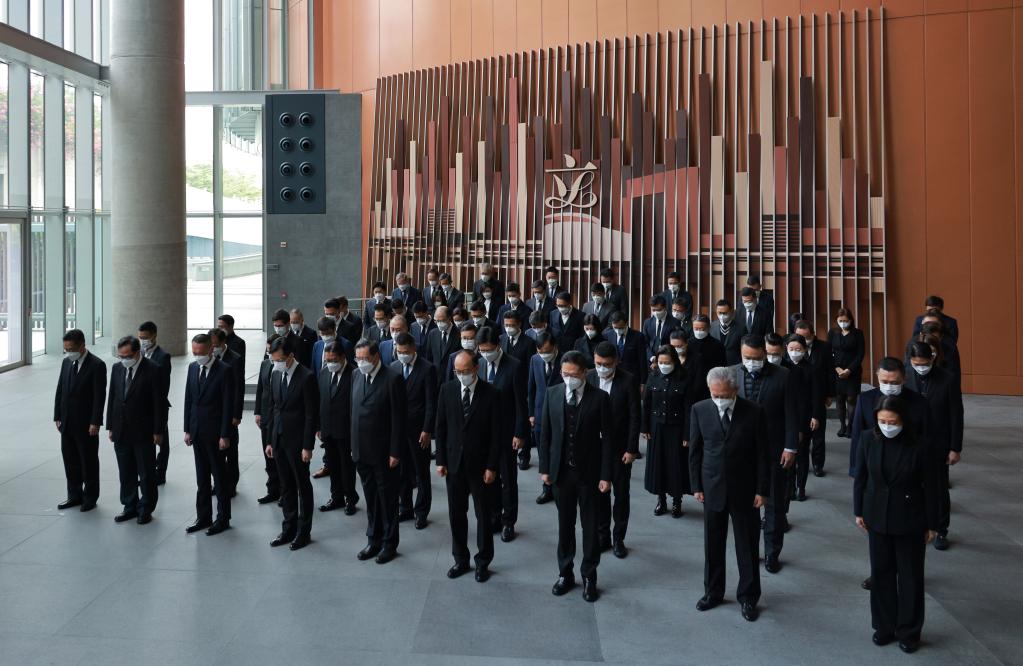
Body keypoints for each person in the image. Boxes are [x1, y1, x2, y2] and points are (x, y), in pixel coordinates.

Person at [853, 395, 940, 653]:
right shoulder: (868, 439)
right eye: (882, 421)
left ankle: (909, 631)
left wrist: (933, 523)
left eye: (892, 422)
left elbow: (932, 487)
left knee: (910, 577)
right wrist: (858, 511)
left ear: (903, 421)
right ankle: (884, 626)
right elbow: (861, 477)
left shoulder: (921, 445)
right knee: (881, 574)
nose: (887, 426)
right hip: (876, 517)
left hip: (910, 519)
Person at [689, 367, 770, 621]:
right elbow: (695, 451)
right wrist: (696, 486)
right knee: (713, 544)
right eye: (715, 395)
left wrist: (762, 490)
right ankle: (713, 592)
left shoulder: (754, 412)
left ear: (735, 390)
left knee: (747, 545)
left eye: (724, 395)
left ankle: (748, 597)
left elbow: (763, 454)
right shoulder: (700, 410)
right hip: (712, 488)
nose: (720, 399)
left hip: (745, 490)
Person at [539, 350, 613, 602]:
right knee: (564, 525)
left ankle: (590, 575)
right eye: (564, 374)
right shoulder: (553, 393)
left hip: (589, 474)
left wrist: (606, 475)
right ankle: (565, 573)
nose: (568, 378)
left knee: (590, 527)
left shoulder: (600, 398)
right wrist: (545, 469)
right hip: (561, 473)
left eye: (573, 374)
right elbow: (545, 434)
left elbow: (608, 440)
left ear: (584, 373)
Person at [732, 334, 797, 573]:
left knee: (774, 505)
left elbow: (791, 413)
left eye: (756, 358)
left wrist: (790, 446)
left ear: (764, 354)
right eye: (747, 357)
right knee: (745, 506)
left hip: (774, 450)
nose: (751, 362)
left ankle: (772, 552)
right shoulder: (732, 373)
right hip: (741, 453)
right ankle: (749, 551)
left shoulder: (783, 375)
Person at [435, 351, 501, 582]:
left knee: (483, 515)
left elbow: (497, 435)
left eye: (465, 371)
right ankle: (460, 559)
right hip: (454, 464)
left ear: (476, 369)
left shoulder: (492, 394)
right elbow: (441, 427)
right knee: (456, 514)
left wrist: (492, 466)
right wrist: (440, 460)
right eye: (457, 371)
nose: (461, 375)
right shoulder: (447, 390)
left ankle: (483, 561)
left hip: (481, 467)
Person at [350, 339, 408, 564]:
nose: (361, 362)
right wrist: (353, 446)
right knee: (370, 498)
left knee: (387, 500)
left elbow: (399, 419)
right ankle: (373, 539)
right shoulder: (356, 375)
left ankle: (389, 543)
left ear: (376, 357)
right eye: (358, 358)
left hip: (384, 453)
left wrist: (395, 451)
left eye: (365, 358)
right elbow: (353, 413)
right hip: (361, 451)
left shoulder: (393, 379)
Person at [904, 341, 963, 551]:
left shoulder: (948, 379)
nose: (921, 367)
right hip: (911, 443)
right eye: (916, 364)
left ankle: (941, 530)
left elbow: (956, 415)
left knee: (938, 489)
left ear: (932, 359)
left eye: (925, 364)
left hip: (938, 443)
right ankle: (916, 525)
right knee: (911, 486)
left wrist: (955, 447)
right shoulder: (905, 376)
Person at [266, 336, 319, 550]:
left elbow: (311, 414)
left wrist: (307, 446)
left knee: (301, 486)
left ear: (290, 356)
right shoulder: (275, 374)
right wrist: (270, 441)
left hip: (298, 443)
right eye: (273, 360)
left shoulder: (306, 377)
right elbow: (274, 408)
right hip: (279, 438)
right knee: (285, 486)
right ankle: (288, 528)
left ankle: (303, 531)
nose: (276, 363)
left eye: (279, 360)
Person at [106, 335, 166, 525]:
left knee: (146, 473)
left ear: (138, 352)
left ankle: (145, 508)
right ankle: (129, 505)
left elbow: (159, 404)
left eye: (128, 356)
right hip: (121, 429)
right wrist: (110, 426)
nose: (124, 359)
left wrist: (158, 431)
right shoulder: (117, 368)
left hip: (144, 431)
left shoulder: (153, 369)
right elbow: (113, 397)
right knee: (126, 471)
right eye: (121, 356)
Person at [477, 326, 528, 542]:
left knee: (508, 479)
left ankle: (509, 521)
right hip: (485, 433)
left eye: (488, 349)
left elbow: (520, 403)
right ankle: (495, 515)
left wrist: (520, 432)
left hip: (507, 432)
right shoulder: (479, 364)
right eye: (481, 350)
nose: (485, 354)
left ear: (498, 345)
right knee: (489, 477)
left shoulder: (514, 366)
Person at [589, 342, 640, 557]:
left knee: (621, 495)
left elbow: (635, 416)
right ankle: (603, 536)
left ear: (616, 362)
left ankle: (619, 538)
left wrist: (631, 449)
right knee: (599, 494)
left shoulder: (628, 380)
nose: (602, 368)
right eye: (598, 363)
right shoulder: (589, 377)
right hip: (595, 448)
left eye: (607, 364)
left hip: (620, 449)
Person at [183, 332, 235, 536]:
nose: (197, 356)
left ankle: (223, 518)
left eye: (201, 352)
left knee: (219, 479)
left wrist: (225, 434)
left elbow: (227, 405)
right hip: (197, 431)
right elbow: (189, 399)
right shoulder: (192, 367)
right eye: (194, 352)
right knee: (202, 478)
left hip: (215, 433)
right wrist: (187, 429)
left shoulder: (224, 370)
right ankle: (203, 516)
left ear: (211, 350)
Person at [54, 329, 106, 512]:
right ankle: (74, 495)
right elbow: (60, 389)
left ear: (82, 345)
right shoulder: (66, 362)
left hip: (86, 424)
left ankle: (90, 497)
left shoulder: (97, 365)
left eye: (71, 349)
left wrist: (95, 422)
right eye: (66, 349)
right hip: (67, 422)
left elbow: (99, 397)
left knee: (88, 461)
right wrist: (57, 415)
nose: (69, 352)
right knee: (70, 460)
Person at [640, 344, 694, 519]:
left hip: (676, 428)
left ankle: (677, 501)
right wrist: (644, 427)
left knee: (676, 465)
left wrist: (687, 434)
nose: (663, 365)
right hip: (657, 427)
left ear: (675, 362)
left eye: (667, 362)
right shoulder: (653, 376)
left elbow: (688, 409)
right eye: (661, 362)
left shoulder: (684, 378)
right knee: (658, 465)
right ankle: (661, 500)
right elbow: (646, 404)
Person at [391, 332, 437, 530]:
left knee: (421, 472)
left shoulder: (427, 369)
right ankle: (405, 507)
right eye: (399, 352)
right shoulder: (393, 367)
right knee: (402, 471)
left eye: (405, 352)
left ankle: (421, 512)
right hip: (399, 430)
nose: (402, 355)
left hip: (419, 430)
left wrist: (427, 429)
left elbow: (431, 403)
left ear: (413, 348)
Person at [315, 341, 360, 515]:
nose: (330, 363)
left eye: (333, 360)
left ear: (342, 357)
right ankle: (336, 497)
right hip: (328, 429)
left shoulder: (355, 374)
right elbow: (320, 400)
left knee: (347, 467)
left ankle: (350, 498)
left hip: (346, 430)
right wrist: (319, 426)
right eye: (327, 360)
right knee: (332, 465)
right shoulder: (324, 372)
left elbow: (356, 406)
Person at [782, 334, 822, 501]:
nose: (794, 352)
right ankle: (790, 487)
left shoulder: (812, 368)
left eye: (798, 349)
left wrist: (815, 416)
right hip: (787, 415)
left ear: (804, 350)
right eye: (791, 349)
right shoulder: (783, 367)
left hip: (805, 415)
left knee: (803, 453)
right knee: (789, 452)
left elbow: (817, 394)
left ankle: (801, 487)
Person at [794, 319, 834, 476]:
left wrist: (830, 394)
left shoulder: (824, 347)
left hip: (818, 395)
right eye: (799, 337)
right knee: (800, 435)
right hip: (799, 398)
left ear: (813, 335)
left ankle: (818, 464)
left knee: (818, 435)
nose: (802, 340)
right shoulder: (791, 347)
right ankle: (800, 463)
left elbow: (830, 372)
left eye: (805, 337)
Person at [526, 331, 563, 497]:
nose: (544, 355)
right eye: (540, 352)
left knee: (559, 451)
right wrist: (531, 413)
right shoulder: (535, 360)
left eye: (547, 351)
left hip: (560, 413)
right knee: (543, 452)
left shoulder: (565, 360)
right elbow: (531, 388)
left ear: (555, 348)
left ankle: (559, 488)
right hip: (540, 413)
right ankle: (546, 488)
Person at [210, 328, 244, 497]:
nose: (213, 348)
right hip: (214, 413)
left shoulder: (235, 359)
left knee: (230, 451)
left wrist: (237, 414)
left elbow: (239, 387)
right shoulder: (209, 358)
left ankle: (231, 484)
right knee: (215, 452)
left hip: (229, 413)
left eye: (215, 345)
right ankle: (218, 482)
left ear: (223, 342)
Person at [138, 321, 172, 485]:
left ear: (154, 335)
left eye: (145, 337)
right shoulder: (138, 354)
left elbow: (164, 386)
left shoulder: (163, 356)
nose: (143, 340)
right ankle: (148, 472)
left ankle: (161, 472)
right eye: (140, 337)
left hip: (157, 406)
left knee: (162, 441)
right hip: (141, 408)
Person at [253, 334, 282, 505]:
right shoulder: (265, 364)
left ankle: (285, 491)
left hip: (279, 417)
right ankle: (272, 490)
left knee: (280, 457)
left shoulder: (282, 365)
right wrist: (258, 412)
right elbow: (260, 389)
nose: (269, 354)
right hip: (265, 416)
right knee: (268, 455)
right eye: (268, 350)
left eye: (272, 351)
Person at [829, 307, 865, 438]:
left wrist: (849, 369)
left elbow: (860, 354)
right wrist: (836, 368)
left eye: (845, 321)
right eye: (840, 321)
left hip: (853, 371)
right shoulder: (832, 332)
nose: (843, 323)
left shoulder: (858, 333)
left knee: (851, 399)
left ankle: (850, 426)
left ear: (850, 320)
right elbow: (828, 351)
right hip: (837, 371)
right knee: (839, 398)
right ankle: (842, 426)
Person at [687, 314, 726, 402]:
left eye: (702, 329)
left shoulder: (717, 345)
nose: (699, 331)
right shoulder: (688, 344)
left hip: (710, 386)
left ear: (708, 328)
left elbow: (722, 367)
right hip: (691, 385)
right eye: (696, 329)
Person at [604, 311, 647, 388]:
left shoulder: (638, 337)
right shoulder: (608, 335)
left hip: (633, 377)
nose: (618, 330)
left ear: (626, 323)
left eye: (620, 328)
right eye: (615, 327)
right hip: (614, 377)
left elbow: (642, 360)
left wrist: (643, 382)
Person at [642, 295, 677, 366]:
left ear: (665, 308)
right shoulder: (647, 323)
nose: (656, 312)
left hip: (668, 360)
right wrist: (651, 357)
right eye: (653, 310)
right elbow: (645, 343)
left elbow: (675, 343)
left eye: (659, 310)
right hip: (651, 361)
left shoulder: (675, 322)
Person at [426, 306, 460, 376]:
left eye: (442, 320)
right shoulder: (432, 333)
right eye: (436, 321)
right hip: (436, 375)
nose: (439, 324)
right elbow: (429, 357)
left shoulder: (459, 334)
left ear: (449, 318)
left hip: (452, 375)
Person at [710, 299, 742, 366]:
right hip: (716, 365)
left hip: (734, 365)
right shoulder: (712, 326)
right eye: (720, 313)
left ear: (731, 312)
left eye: (725, 313)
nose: (722, 316)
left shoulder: (741, 328)